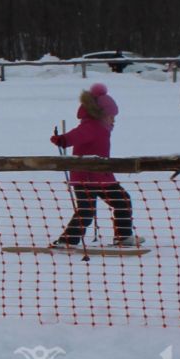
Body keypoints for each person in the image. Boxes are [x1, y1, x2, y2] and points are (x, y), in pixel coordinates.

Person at [48, 82, 138, 248]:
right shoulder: (92, 127)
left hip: (101, 176)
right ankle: (67, 241)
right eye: (111, 116)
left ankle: (123, 236)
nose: (114, 120)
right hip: (87, 177)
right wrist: (64, 140)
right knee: (87, 210)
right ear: (101, 114)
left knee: (120, 202)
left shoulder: (100, 128)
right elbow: (78, 135)